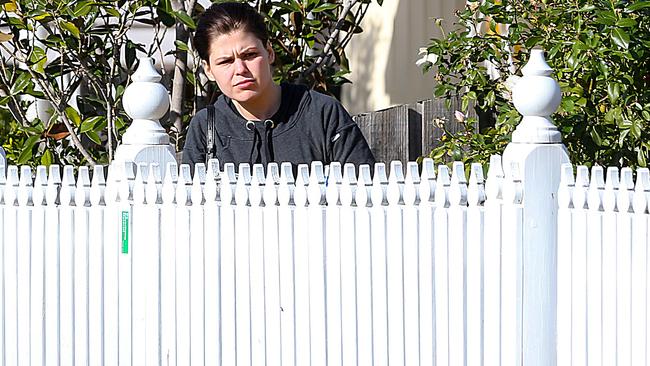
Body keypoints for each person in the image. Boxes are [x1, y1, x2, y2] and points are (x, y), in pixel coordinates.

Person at [182, 1, 375, 174]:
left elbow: (366, 197)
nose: (240, 69)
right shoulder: (206, 127)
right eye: (226, 61)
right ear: (208, 70)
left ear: (269, 52)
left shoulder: (322, 114)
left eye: (249, 55)